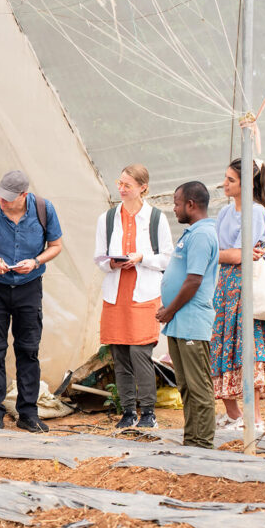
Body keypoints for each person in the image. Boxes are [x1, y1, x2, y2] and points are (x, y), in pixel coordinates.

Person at [0, 170, 63, 432]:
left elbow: (56, 245)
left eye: (8, 198)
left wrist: (35, 262)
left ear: (24, 195)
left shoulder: (44, 209)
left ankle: (28, 413)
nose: (2, 201)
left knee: (28, 350)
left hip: (28, 288)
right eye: (0, 196)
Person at [94, 165, 173, 429]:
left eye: (127, 185)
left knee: (140, 353)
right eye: (120, 183)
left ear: (143, 188)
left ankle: (148, 412)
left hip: (144, 295)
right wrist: (112, 264)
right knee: (120, 355)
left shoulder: (156, 219)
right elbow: (99, 257)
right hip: (116, 295)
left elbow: (167, 257)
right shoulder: (107, 218)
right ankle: (128, 412)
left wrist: (142, 258)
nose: (122, 188)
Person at [211, 158, 265, 433]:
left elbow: (247, 255)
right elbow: (219, 252)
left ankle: (256, 419)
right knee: (221, 347)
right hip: (225, 288)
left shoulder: (257, 212)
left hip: (247, 289)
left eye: (231, 180)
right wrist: (231, 255)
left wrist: (229, 255)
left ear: (247, 183)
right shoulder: (224, 214)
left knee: (247, 348)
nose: (224, 184)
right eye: (225, 178)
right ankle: (233, 413)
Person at [156, 181, 219, 449]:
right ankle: (191, 439)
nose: (175, 208)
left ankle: (202, 443)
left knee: (199, 386)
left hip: (191, 322)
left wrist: (169, 310)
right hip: (178, 323)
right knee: (185, 387)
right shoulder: (192, 233)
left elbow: (194, 281)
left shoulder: (203, 235)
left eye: (177, 203)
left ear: (191, 205)